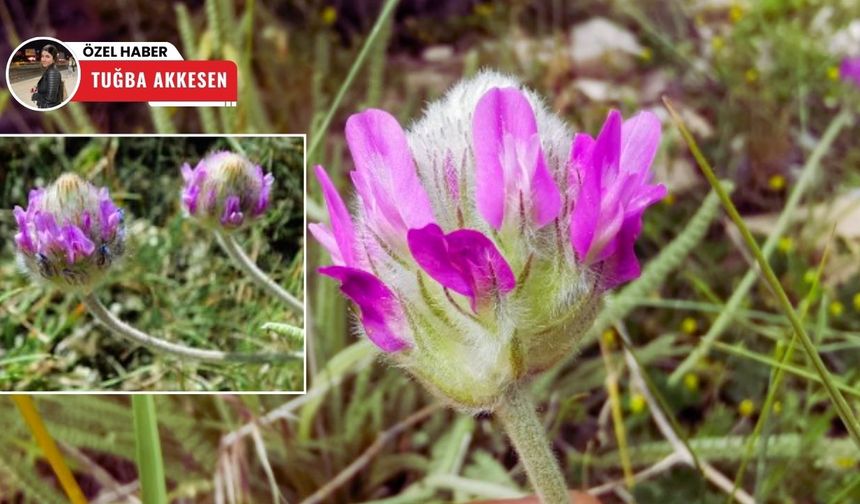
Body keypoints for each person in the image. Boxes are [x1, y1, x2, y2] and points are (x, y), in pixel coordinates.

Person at [30, 44, 63, 109]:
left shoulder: (52, 72)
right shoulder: (49, 70)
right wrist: (38, 88)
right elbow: (48, 86)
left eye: (47, 56)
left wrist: (35, 95)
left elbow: (51, 99)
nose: (43, 59)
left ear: (54, 59)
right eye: (42, 56)